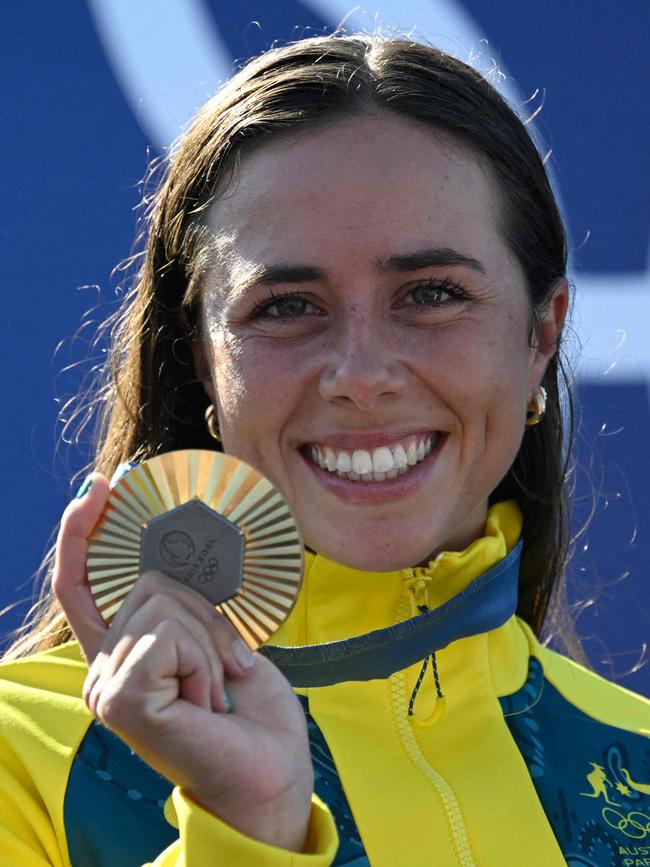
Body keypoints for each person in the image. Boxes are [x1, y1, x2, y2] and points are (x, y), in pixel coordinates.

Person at [0, 33, 648, 867]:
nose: (360, 374)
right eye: (286, 306)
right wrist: (243, 831)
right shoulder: (22, 760)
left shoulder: (628, 759)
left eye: (431, 294)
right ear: (202, 356)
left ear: (540, 336)